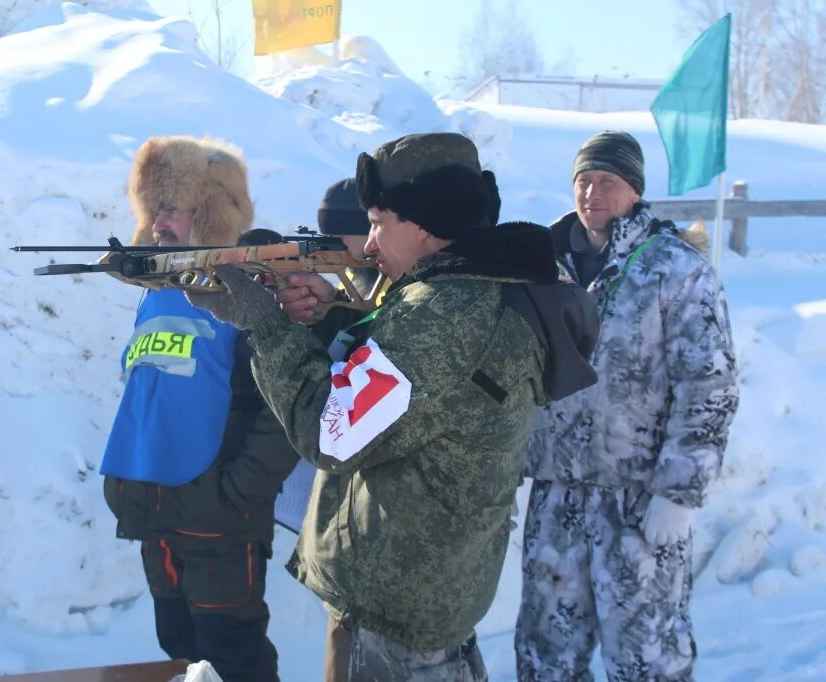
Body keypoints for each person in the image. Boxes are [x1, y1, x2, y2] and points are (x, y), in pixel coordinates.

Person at [186, 132, 598, 681]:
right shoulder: (465, 288)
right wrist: (326, 303)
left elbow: (332, 431)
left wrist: (264, 323)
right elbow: (399, 379)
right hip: (417, 592)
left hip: (398, 616)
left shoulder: (444, 319)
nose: (371, 243)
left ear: (426, 223)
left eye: (380, 221)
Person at [515, 130, 740, 681]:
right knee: (547, 655)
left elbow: (709, 385)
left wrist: (679, 493)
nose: (593, 193)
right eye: (584, 181)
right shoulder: (538, 266)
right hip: (556, 494)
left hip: (638, 504)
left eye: (608, 181)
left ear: (634, 190)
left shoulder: (675, 269)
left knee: (646, 657)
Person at [100, 135, 297, 682]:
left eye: (173, 208)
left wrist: (234, 495)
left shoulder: (249, 293)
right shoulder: (157, 290)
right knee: (182, 651)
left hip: (217, 520)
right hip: (155, 511)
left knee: (234, 657)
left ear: (209, 215)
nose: (158, 223)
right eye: (153, 208)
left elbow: (281, 410)